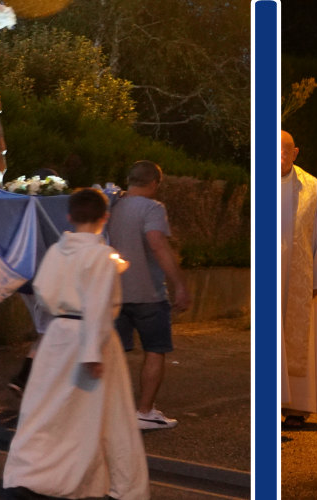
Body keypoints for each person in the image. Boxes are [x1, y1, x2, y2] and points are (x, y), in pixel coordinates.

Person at [2, 187, 149, 500]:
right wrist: (92, 352)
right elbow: (97, 302)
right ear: (105, 218)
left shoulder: (57, 250)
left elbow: (42, 290)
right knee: (102, 415)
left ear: (69, 216)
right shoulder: (100, 256)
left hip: (57, 335)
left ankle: (28, 474)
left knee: (45, 409)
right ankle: (113, 486)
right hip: (91, 337)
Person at [102, 160, 193, 430]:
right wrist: (180, 284)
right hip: (149, 294)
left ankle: (106, 411)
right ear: (154, 183)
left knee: (111, 353)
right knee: (154, 350)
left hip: (113, 292)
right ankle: (144, 411)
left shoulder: (110, 205)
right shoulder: (153, 208)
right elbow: (157, 244)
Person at [281, 130, 317, 429]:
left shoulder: (312, 187)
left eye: (284, 150)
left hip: (299, 279)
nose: (278, 156)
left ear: (295, 152)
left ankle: (297, 407)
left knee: (301, 339)